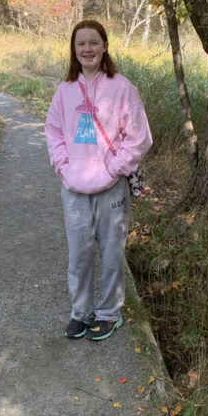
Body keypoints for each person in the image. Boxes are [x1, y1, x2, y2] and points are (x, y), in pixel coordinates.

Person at [44, 20, 152, 341]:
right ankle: (81, 312)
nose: (87, 49)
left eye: (94, 43)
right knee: (79, 255)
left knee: (112, 252)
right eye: (81, 44)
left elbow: (140, 138)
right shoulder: (64, 92)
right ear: (74, 50)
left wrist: (115, 168)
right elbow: (54, 132)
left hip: (111, 189)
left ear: (105, 46)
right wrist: (63, 166)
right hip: (74, 189)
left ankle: (108, 313)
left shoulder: (122, 88)